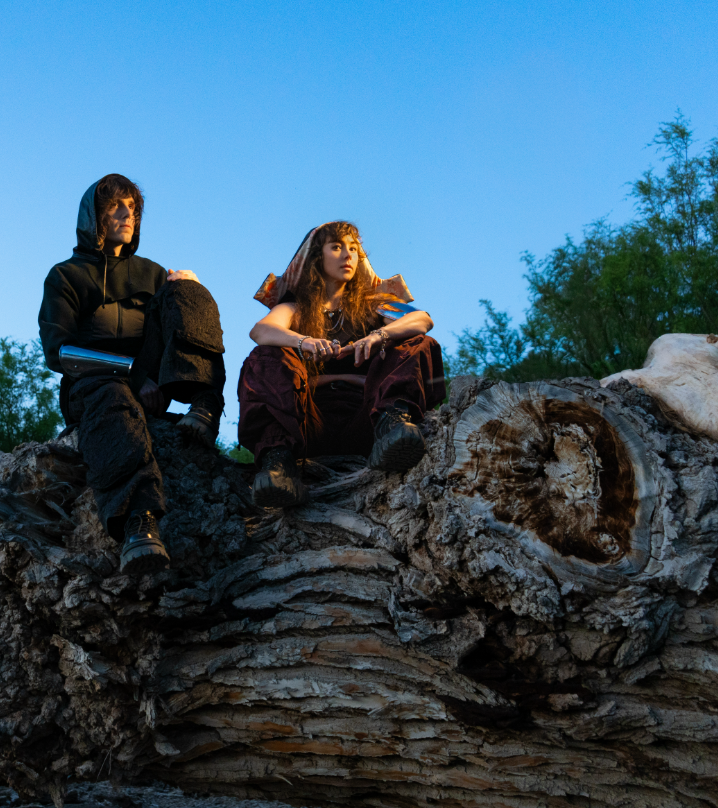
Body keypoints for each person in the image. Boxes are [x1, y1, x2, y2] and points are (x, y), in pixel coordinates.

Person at [39, 174, 226, 574]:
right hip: (92, 387)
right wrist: (134, 379)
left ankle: (206, 404)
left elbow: (171, 328)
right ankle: (139, 523)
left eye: (132, 208)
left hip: (154, 382)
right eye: (115, 206)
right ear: (93, 216)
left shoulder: (152, 273)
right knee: (113, 394)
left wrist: (151, 376)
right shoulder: (65, 276)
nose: (127, 215)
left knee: (188, 288)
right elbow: (59, 352)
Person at [238, 221, 445, 507]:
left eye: (354, 249)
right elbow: (261, 331)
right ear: (316, 257)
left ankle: (395, 426)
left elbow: (422, 319)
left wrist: (379, 336)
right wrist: (304, 341)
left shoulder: (374, 305)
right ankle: (278, 464)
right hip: (307, 426)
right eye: (336, 247)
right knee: (265, 356)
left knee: (418, 342)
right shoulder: (294, 307)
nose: (348, 255)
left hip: (367, 420)